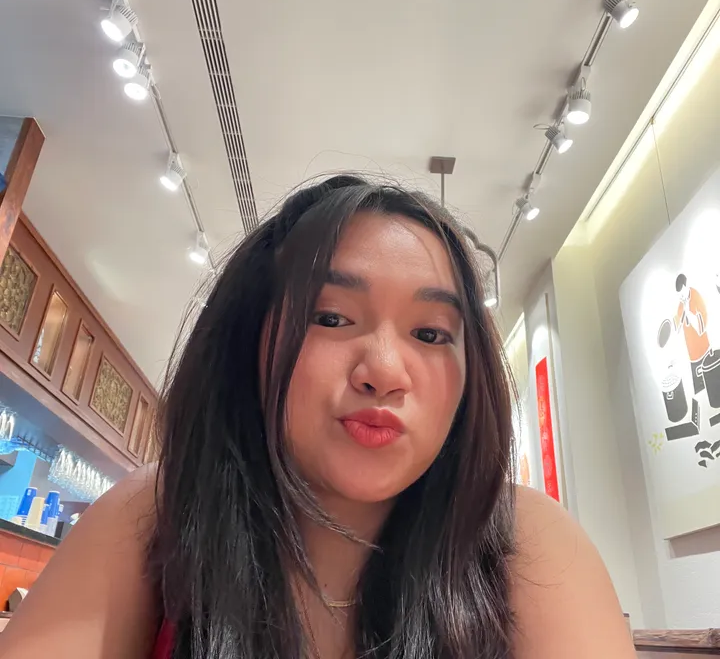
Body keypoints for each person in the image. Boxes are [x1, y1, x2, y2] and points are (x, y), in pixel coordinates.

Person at [0, 176, 635, 658]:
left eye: (430, 334)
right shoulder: (155, 518)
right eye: (330, 318)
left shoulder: (524, 542)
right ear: (249, 339)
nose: (383, 370)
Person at [674, 273, 710, 395]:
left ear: (686, 286)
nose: (681, 298)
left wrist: (687, 312)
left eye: (682, 295)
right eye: (679, 296)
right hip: (693, 357)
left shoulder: (696, 297)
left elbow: (701, 329)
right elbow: (676, 328)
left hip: (705, 352)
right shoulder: (681, 303)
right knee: (700, 393)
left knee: (712, 387)